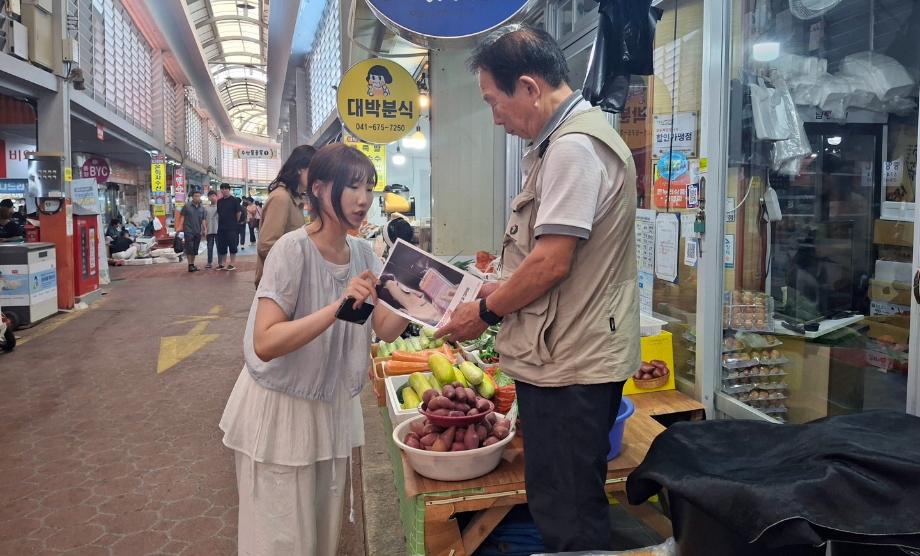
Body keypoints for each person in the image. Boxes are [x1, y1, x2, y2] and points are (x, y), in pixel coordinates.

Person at [436, 25, 641, 552]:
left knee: (568, 510)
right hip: (562, 357)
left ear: (528, 87)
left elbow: (551, 262)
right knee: (561, 498)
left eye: (493, 100)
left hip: (572, 366)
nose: (494, 115)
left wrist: (482, 312)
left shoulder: (573, 149)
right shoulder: (561, 145)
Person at [219, 143, 409, 555]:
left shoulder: (363, 252)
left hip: (330, 410)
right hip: (282, 411)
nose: (364, 199)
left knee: (322, 535)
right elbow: (265, 341)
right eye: (353, 187)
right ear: (320, 189)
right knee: (281, 538)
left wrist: (422, 303)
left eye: (369, 188)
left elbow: (388, 329)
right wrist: (336, 309)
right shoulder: (293, 249)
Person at [256, 145, 316, 287]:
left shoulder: (295, 198)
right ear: (300, 168)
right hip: (277, 282)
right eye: (314, 171)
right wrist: (301, 260)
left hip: (287, 279)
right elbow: (266, 245)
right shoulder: (281, 198)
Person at [177, 190, 207, 273]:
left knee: (195, 249)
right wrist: (180, 226)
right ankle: (190, 265)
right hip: (188, 230)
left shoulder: (202, 208)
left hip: (198, 231)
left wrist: (205, 229)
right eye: (195, 196)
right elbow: (182, 217)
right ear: (192, 197)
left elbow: (203, 219)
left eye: (198, 196)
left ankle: (192, 264)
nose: (197, 197)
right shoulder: (187, 206)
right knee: (189, 248)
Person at [216, 183, 242, 271]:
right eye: (222, 189)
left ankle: (232, 263)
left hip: (232, 227)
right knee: (222, 246)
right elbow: (219, 214)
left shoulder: (234, 200)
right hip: (221, 228)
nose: (223, 190)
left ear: (229, 190)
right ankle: (222, 264)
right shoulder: (219, 201)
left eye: (225, 189)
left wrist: (234, 222)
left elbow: (238, 213)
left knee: (232, 245)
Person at [204, 190, 220, 269]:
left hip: (218, 231)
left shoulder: (220, 207)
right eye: (210, 196)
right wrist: (204, 229)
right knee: (209, 247)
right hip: (209, 230)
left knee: (219, 247)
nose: (212, 197)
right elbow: (203, 220)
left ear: (216, 196)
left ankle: (220, 262)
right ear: (208, 198)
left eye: (214, 195)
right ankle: (209, 262)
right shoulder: (206, 209)